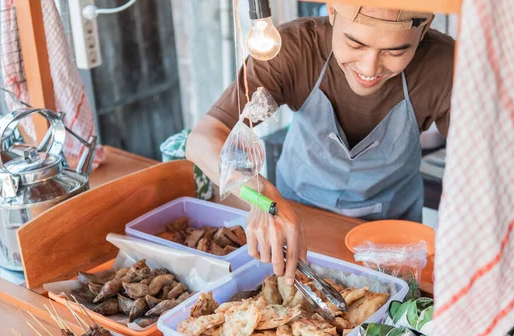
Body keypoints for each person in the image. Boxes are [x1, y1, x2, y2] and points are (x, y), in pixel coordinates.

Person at [186, 4, 455, 284]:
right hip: (298, 221)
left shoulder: (444, 66)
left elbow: (484, 168)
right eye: (355, 43)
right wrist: (262, 198)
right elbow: (203, 138)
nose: (369, 67)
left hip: (393, 237)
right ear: (332, 12)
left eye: (395, 51)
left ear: (424, 31)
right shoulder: (296, 49)